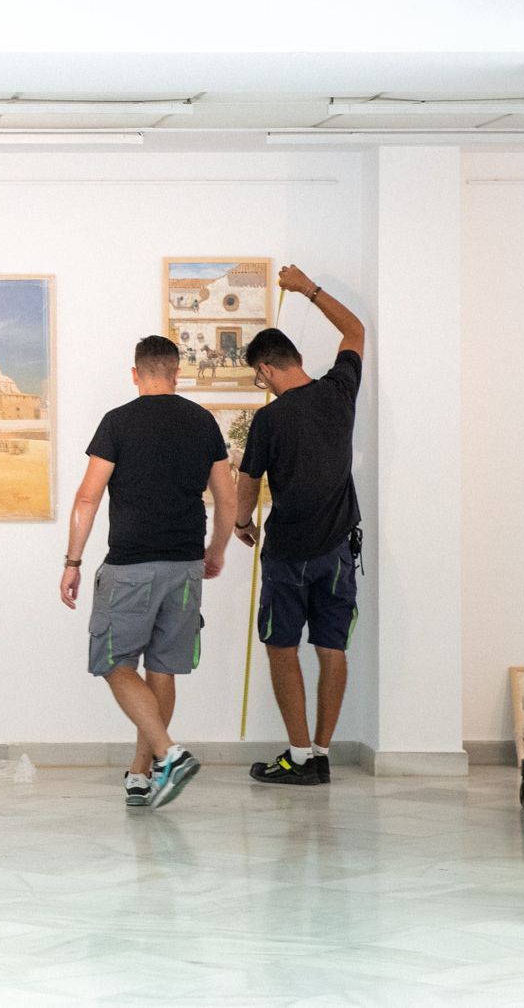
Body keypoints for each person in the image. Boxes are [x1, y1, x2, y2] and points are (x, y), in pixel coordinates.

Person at [61, 335, 235, 809]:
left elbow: (87, 498)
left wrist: (73, 561)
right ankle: (143, 775)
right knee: (161, 668)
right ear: (176, 373)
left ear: (135, 373)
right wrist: (215, 550)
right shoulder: (202, 422)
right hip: (184, 567)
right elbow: (227, 498)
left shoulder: (118, 421)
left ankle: (168, 754)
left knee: (115, 663)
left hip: (131, 566)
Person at [236, 265, 365, 787]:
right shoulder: (339, 390)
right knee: (331, 649)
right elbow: (355, 330)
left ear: (266, 369)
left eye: (256, 376)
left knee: (281, 647)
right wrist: (307, 288)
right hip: (337, 548)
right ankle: (322, 752)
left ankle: (297, 756)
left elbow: (247, 482)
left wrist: (243, 523)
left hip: (288, 554)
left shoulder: (269, 420)